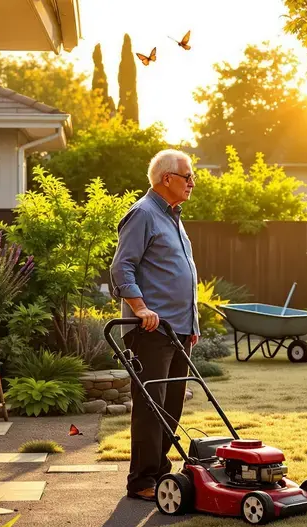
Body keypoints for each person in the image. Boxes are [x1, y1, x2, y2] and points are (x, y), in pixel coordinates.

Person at [109, 149, 200, 501]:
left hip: (178, 330)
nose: (192, 183)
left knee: (171, 404)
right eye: (188, 177)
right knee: (151, 405)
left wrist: (192, 322)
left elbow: (181, 273)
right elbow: (122, 267)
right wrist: (140, 308)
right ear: (167, 178)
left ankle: (160, 471)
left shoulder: (173, 217)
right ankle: (142, 480)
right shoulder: (143, 213)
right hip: (150, 330)